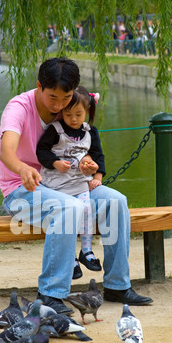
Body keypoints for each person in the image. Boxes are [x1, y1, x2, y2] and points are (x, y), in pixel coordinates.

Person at [0, 57, 153, 313]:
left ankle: (116, 285)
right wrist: (23, 169)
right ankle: (51, 293)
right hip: (22, 190)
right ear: (39, 86)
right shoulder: (18, 109)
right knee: (69, 208)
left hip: (69, 182)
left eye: (65, 98)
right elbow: (6, 151)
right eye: (52, 98)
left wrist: (88, 162)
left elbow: (83, 143)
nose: (59, 105)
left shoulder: (71, 107)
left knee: (116, 201)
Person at [36, 85, 104, 279]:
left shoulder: (90, 132)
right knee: (69, 217)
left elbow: (98, 156)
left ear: (87, 112)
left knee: (86, 211)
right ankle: (71, 257)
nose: (73, 119)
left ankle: (87, 251)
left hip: (79, 183)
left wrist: (96, 175)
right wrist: (55, 163)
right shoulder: (55, 131)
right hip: (57, 185)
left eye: (78, 114)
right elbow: (41, 151)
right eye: (68, 114)